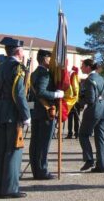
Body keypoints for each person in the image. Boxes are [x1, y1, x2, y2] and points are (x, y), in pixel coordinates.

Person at [0, 37, 30, 198]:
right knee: (13, 152)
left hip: (0, 112)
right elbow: (19, 93)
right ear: (19, 51)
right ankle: (11, 189)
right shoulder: (16, 67)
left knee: (1, 151)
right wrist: (26, 115)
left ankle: (0, 188)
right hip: (13, 113)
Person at [29, 49, 64, 180]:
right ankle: (42, 171)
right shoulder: (44, 74)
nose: (52, 61)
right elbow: (40, 92)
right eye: (50, 58)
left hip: (37, 112)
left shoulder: (34, 73)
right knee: (43, 144)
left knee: (35, 143)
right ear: (44, 59)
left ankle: (36, 170)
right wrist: (56, 94)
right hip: (45, 112)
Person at [77, 58, 104, 173]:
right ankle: (101, 165)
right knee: (100, 138)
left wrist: (80, 103)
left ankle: (89, 159)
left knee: (83, 134)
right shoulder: (103, 79)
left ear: (88, 67)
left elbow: (90, 99)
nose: (81, 68)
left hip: (93, 110)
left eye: (82, 66)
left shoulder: (89, 80)